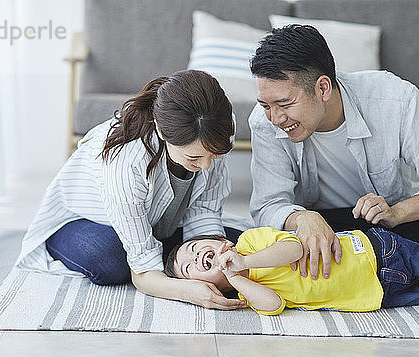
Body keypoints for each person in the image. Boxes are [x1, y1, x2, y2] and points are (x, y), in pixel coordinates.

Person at [248, 24, 419, 282]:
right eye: (266, 105)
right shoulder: (263, 123)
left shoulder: (393, 98)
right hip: (327, 229)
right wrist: (304, 218)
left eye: (284, 103)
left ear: (322, 88)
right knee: (257, 245)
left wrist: (397, 212)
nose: (275, 118)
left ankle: (417, 263)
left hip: (397, 224)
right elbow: (268, 205)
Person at [15, 70, 247, 310]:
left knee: (242, 246)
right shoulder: (127, 161)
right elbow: (143, 271)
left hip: (159, 222)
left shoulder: (216, 125)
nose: (207, 165)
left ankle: (163, 252)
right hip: (83, 221)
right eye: (195, 157)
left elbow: (204, 210)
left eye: (216, 155)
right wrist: (187, 290)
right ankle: (64, 245)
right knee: (111, 261)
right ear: (161, 130)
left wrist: (215, 253)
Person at [163, 227, 419, 315]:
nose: (196, 258)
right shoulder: (245, 292)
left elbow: (295, 248)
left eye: (195, 248)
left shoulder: (253, 243)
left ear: (221, 242)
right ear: (211, 287)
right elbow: (272, 305)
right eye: (190, 267)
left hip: (375, 251)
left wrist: (245, 262)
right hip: (377, 294)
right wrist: (238, 277)